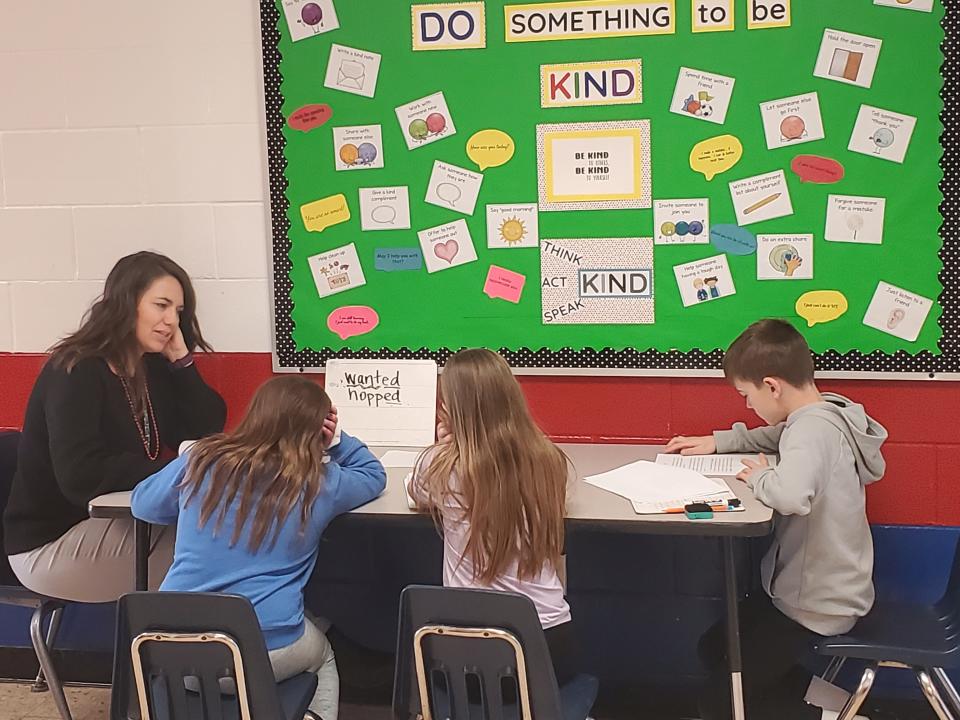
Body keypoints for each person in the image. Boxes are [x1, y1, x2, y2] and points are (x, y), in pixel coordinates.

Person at [666, 319, 887, 720]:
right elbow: (776, 436)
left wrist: (760, 476)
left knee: (719, 702)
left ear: (772, 386)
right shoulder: (822, 415)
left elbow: (789, 495)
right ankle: (837, 702)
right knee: (717, 646)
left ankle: (837, 717)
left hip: (817, 603)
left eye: (747, 396)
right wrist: (721, 441)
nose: (747, 406)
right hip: (816, 591)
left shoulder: (812, 433)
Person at [131, 376, 386, 720]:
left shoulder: (203, 460)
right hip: (264, 652)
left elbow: (142, 504)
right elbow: (373, 474)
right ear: (316, 429)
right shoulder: (319, 483)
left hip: (176, 652)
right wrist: (338, 442)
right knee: (322, 653)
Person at [4, 251, 226, 602]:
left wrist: (182, 362)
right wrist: (175, 472)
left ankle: (241, 645)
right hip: (51, 544)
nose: (171, 321)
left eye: (178, 312)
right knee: (214, 549)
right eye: (162, 306)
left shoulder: (149, 369)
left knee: (223, 536)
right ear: (127, 303)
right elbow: (81, 474)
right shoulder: (75, 369)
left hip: (116, 525)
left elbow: (204, 428)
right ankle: (181, 652)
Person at [407, 348, 578, 684]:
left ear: (452, 412)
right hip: (546, 645)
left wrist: (444, 448)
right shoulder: (549, 462)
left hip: (465, 657)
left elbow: (415, 493)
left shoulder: (440, 467)